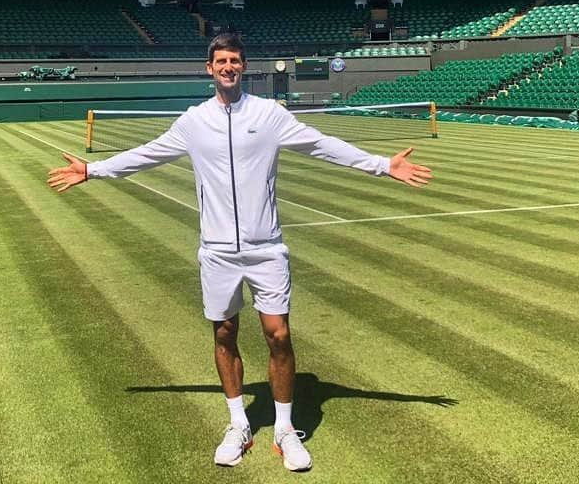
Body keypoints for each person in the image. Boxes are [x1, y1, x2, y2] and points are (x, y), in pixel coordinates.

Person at [48, 33, 432, 472]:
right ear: (209, 68)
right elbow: (146, 155)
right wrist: (92, 170)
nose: (228, 66)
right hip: (216, 251)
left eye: (234, 60)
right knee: (224, 334)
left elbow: (322, 144)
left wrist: (382, 164)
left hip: (266, 247)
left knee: (279, 335)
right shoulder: (193, 122)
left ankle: (286, 429)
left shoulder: (269, 114)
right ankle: (238, 423)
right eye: (221, 61)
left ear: (242, 67)